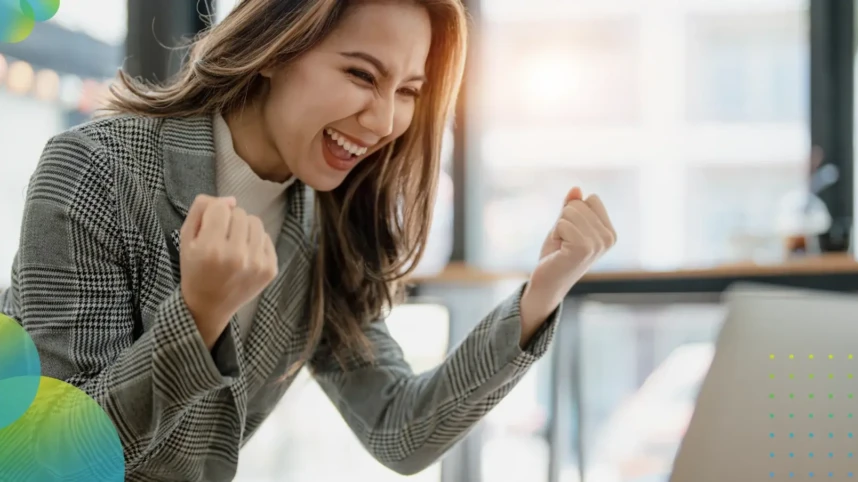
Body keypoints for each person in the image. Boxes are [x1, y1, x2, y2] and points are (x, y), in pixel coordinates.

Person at [0, 0, 617, 480]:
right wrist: (198, 318)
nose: (383, 122)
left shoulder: (323, 229)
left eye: (406, 91)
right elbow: (53, 459)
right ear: (275, 48)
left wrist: (542, 293)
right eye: (360, 74)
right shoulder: (94, 172)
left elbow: (399, 428)